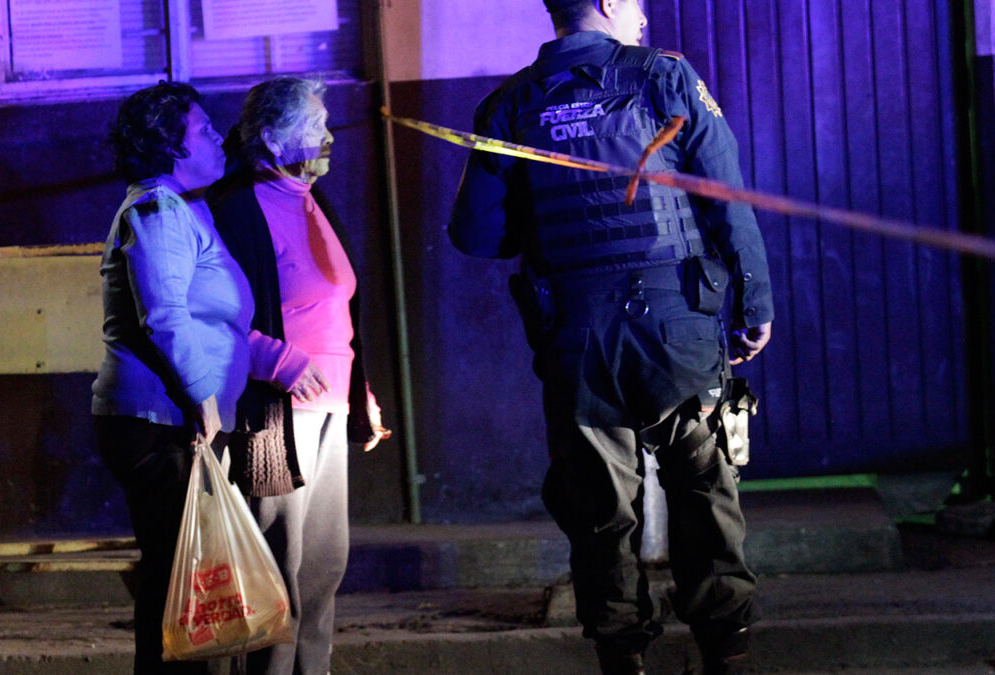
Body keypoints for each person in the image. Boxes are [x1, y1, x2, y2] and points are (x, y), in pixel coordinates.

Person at [448, 1, 775, 674]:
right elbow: (725, 200)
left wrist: (542, 226)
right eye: (638, 4)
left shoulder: (509, 104)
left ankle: (624, 657)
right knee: (703, 491)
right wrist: (755, 302)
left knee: (600, 511)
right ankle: (727, 656)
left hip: (576, 339)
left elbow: (475, 235)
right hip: (675, 333)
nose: (646, 19)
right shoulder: (666, 79)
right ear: (607, 3)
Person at [208, 76, 389, 675]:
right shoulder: (234, 206)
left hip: (329, 407)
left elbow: (338, 309)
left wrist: (357, 388)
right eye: (311, 128)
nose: (326, 137)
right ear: (269, 137)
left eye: (323, 124)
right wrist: (275, 360)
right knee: (275, 566)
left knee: (322, 566)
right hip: (274, 413)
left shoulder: (311, 197)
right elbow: (211, 313)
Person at [91, 80, 250, 674]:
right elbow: (164, 316)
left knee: (181, 585)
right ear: (172, 148)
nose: (218, 139)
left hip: (172, 420)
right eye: (204, 131)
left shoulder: (183, 207)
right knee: (175, 586)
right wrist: (206, 400)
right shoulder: (156, 211)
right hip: (161, 424)